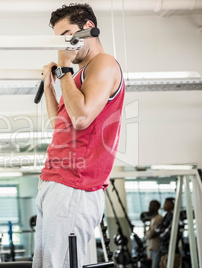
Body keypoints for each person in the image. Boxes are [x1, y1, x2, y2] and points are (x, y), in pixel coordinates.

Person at [34, 3, 125, 268]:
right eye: (60, 39)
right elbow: (60, 125)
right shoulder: (76, 79)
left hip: (75, 184)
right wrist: (51, 87)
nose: (65, 45)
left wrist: (63, 68)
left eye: (68, 35)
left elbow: (82, 119)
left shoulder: (104, 64)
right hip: (56, 181)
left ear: (88, 29)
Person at [155, 197, 180, 268]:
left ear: (171, 205)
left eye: (166, 203)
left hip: (172, 251)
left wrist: (161, 232)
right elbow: (157, 229)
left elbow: (165, 234)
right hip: (164, 251)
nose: (164, 205)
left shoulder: (174, 217)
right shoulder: (165, 217)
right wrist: (161, 231)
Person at [145, 200, 163, 268]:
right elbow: (149, 234)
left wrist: (148, 233)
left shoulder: (159, 218)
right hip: (152, 248)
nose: (149, 208)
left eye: (150, 206)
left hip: (157, 247)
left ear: (156, 207)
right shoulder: (153, 218)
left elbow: (152, 233)